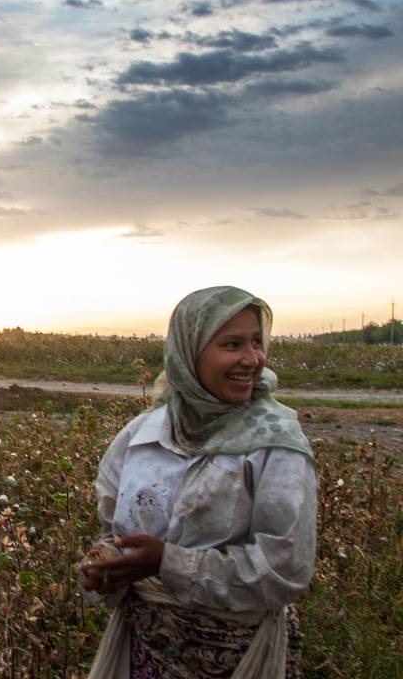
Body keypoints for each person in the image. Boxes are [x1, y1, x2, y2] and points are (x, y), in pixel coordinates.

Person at [79, 286, 317, 678]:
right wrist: (105, 566)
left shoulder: (276, 445)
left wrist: (168, 562)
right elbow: (115, 529)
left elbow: (284, 570)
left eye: (257, 342)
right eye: (232, 344)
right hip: (145, 654)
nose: (251, 359)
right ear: (189, 352)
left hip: (238, 657)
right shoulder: (142, 435)